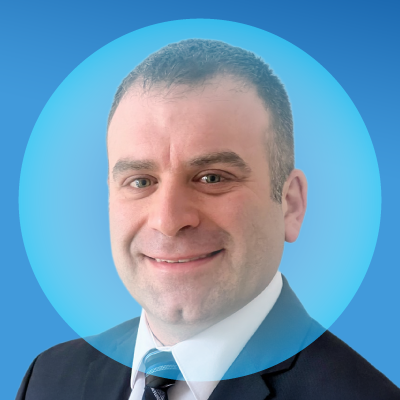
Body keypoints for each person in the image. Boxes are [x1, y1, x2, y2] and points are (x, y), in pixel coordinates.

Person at [16, 39, 400, 400]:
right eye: (140, 181)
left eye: (212, 178)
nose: (168, 220)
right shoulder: (48, 379)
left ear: (290, 205)